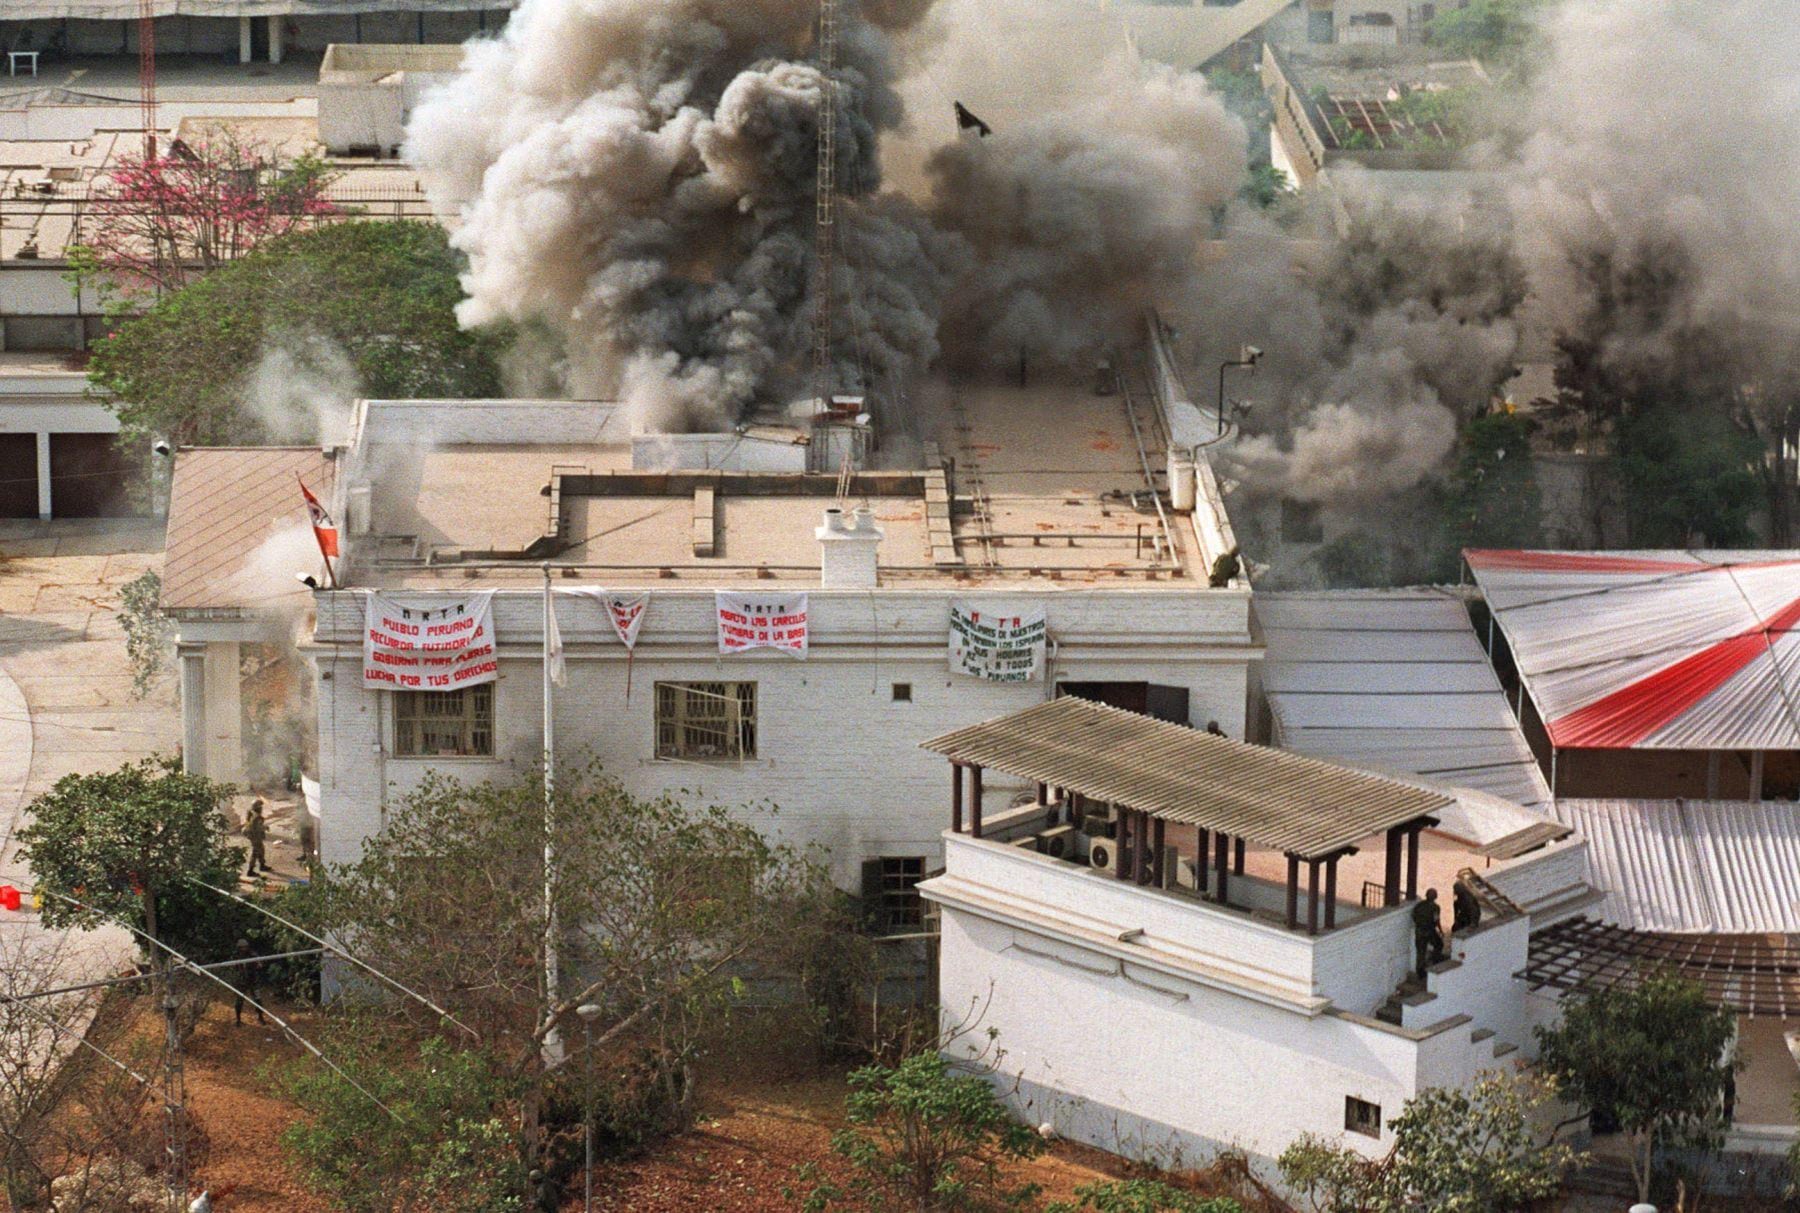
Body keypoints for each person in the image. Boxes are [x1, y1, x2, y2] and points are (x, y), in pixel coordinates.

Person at [1411, 888, 1445, 979]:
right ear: (1435, 897)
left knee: (1420, 952)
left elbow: (1414, 916)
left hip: (1419, 931)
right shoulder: (1435, 907)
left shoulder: (1419, 905)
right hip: (1429, 931)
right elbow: (1436, 920)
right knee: (1439, 945)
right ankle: (1435, 961)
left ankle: (1420, 972)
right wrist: (1441, 931)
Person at [232, 938, 265, 1026]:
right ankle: (238, 1020)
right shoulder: (236, 956)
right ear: (238, 948)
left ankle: (260, 1017)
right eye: (241, 947)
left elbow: (260, 965)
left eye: (245, 947)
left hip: (253, 979)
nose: (244, 949)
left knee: (257, 999)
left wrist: (257, 963)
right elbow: (234, 967)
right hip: (241, 981)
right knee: (239, 1001)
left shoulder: (252, 954)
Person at [243, 800, 268, 877]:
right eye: (260, 807)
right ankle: (250, 871)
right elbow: (257, 828)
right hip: (255, 836)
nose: (262, 809)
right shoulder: (257, 817)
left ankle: (262, 865)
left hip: (251, 834)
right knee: (256, 852)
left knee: (261, 849)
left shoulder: (250, 812)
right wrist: (265, 827)